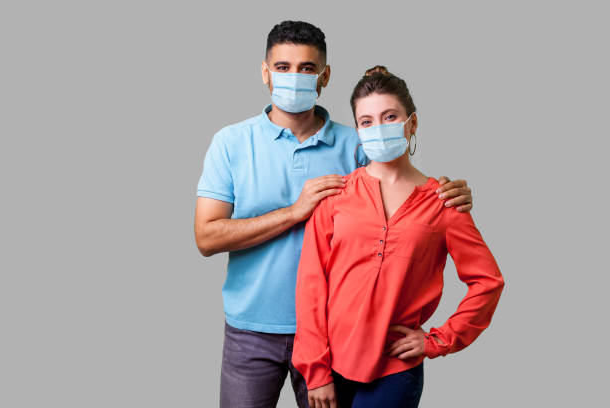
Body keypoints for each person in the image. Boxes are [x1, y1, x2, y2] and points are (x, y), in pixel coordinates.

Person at [194, 21, 473, 408]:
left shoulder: (356, 142)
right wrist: (295, 212)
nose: (294, 77)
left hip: (338, 338)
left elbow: (400, 195)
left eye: (307, 69)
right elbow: (206, 238)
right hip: (251, 330)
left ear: (324, 77)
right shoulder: (230, 143)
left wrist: (449, 194)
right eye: (283, 66)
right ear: (264, 72)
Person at [292, 66, 505, 408]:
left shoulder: (444, 203)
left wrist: (438, 340)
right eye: (367, 121)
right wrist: (315, 372)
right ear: (358, 130)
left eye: (390, 116)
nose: (379, 128)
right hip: (330, 364)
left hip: (395, 368)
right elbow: (310, 286)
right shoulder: (336, 196)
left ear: (412, 123)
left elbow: (488, 282)